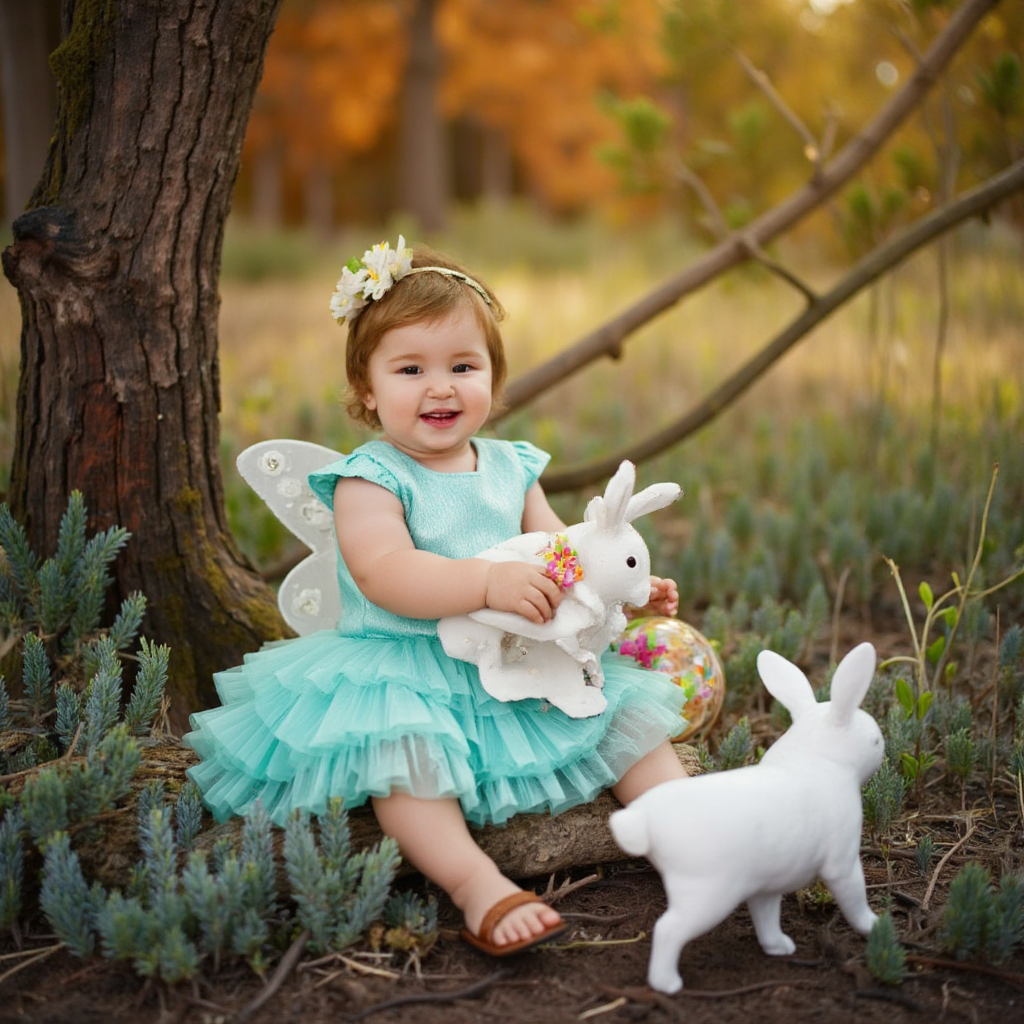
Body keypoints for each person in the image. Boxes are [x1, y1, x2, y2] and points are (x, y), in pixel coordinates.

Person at [185, 238, 689, 956]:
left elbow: (564, 554)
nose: (441, 387)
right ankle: (477, 886)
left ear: (493, 378)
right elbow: (385, 570)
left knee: (623, 718)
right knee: (407, 761)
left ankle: (693, 833)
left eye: (463, 366)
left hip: (519, 658)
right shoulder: (371, 478)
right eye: (410, 369)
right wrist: (485, 582)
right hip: (405, 666)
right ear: (367, 390)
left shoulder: (513, 466)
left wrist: (618, 589)